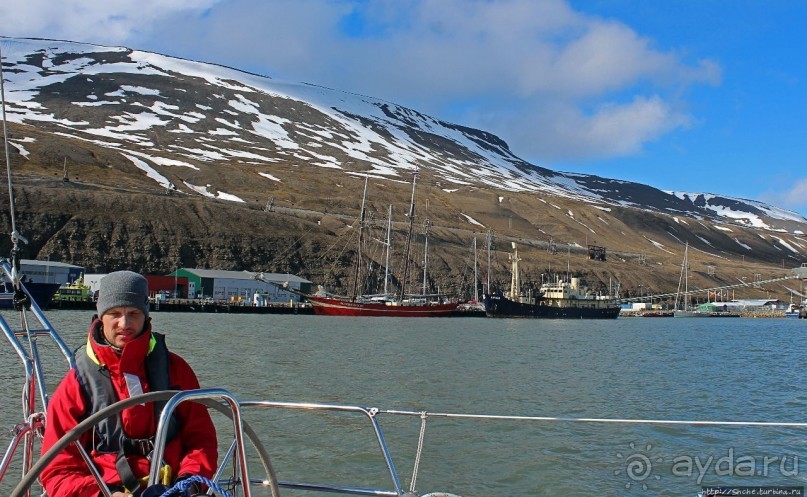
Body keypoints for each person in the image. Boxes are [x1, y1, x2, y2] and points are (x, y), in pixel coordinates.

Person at [40, 271, 218, 497]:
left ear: (146, 316)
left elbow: (201, 440)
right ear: (100, 317)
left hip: (173, 488)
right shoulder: (75, 386)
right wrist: (104, 494)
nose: (124, 323)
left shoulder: (177, 370)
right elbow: (57, 470)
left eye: (133, 313)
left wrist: (188, 484)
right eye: (114, 313)